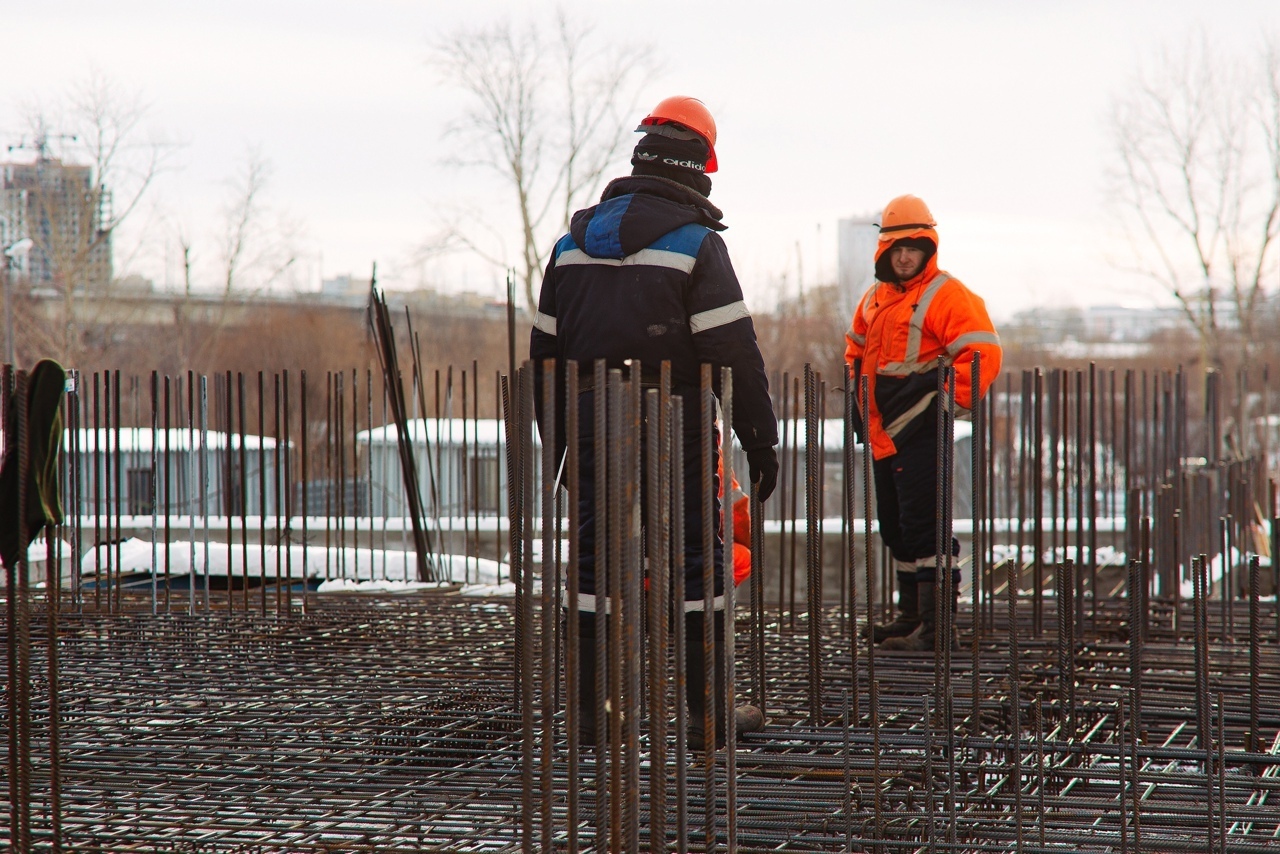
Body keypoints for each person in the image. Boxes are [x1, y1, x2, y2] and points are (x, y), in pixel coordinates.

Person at [530, 95, 779, 749]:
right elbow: (735, 354)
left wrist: (560, 449)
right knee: (700, 559)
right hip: (677, 420)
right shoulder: (696, 245)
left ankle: (591, 717)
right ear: (703, 166)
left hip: (590, 417)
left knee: (593, 561)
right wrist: (762, 439)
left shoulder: (569, 244)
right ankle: (707, 714)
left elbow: (545, 362)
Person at [844, 194, 1002, 652]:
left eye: (914, 247)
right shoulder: (875, 298)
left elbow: (982, 352)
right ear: (884, 253)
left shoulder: (946, 294)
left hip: (920, 426)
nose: (906, 256)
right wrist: (858, 403)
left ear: (928, 248)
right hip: (883, 429)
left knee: (926, 525)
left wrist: (946, 404)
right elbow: (855, 352)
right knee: (896, 526)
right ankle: (911, 616)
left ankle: (937, 629)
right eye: (897, 249)